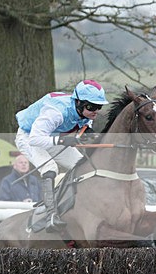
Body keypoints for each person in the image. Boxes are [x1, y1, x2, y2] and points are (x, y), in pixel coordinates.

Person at [15, 79, 108, 232]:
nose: (95, 111)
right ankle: (50, 216)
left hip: (53, 137)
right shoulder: (56, 112)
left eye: (99, 107)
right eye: (92, 107)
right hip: (30, 137)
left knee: (83, 167)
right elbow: (35, 139)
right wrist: (64, 139)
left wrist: (89, 136)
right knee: (50, 168)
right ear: (78, 103)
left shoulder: (85, 112)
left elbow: (84, 128)